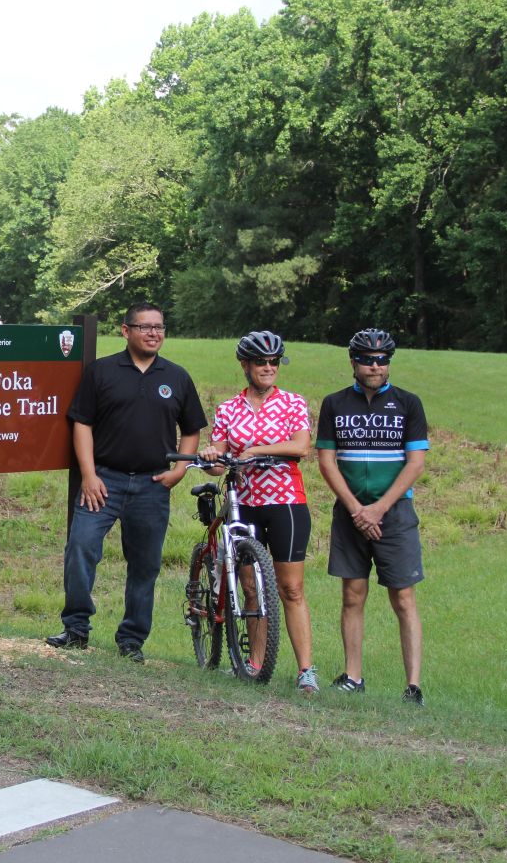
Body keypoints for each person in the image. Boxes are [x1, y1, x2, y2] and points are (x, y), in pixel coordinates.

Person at [46, 301, 206, 663]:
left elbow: (192, 429)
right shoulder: (102, 372)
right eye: (145, 327)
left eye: (159, 327)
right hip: (104, 480)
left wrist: (179, 470)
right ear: (126, 331)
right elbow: (82, 423)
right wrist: (88, 475)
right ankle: (76, 629)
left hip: (152, 486)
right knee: (81, 549)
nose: (154, 333)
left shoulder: (176, 376)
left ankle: (131, 640)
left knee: (145, 566)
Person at [198, 331, 317, 691]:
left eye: (274, 362)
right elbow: (219, 460)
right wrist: (211, 457)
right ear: (245, 366)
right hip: (244, 503)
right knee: (250, 588)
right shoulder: (228, 409)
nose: (268, 368)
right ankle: (255, 664)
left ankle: (306, 671)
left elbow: (302, 446)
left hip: (285, 503)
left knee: (291, 588)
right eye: (261, 362)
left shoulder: (293, 403)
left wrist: (255, 450)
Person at [315, 328, 428, 705]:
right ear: (353, 362)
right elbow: (326, 461)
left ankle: (413, 686)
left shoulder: (408, 403)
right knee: (352, 594)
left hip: (394, 513)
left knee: (404, 598)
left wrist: (378, 509)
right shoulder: (334, 404)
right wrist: (355, 509)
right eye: (367, 359)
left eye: (382, 360)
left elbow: (415, 463)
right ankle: (353, 675)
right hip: (350, 512)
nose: (375, 366)